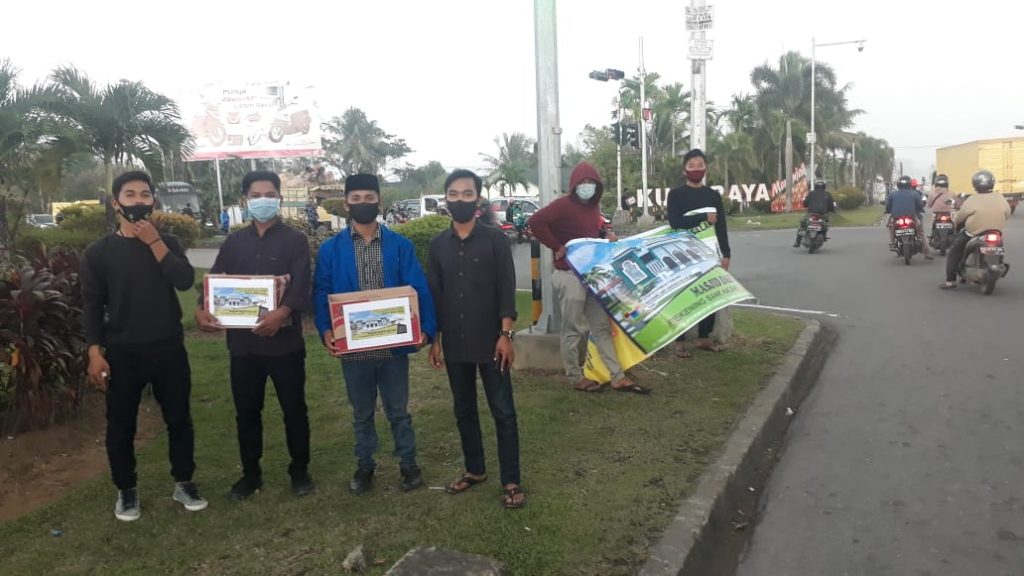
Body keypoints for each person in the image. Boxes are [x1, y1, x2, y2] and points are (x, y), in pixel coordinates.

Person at [81, 170, 207, 522]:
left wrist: (154, 242)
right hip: (123, 352)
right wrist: (94, 350)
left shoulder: (168, 242)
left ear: (154, 200)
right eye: (130, 195)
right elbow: (91, 304)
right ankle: (126, 491)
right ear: (116, 202)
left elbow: (183, 281)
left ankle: (184, 482)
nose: (138, 201)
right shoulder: (99, 252)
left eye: (144, 195)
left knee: (179, 419)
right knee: (121, 424)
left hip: (168, 347)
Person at [313, 174, 437, 494]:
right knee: (361, 414)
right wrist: (326, 328)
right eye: (356, 199)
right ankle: (365, 466)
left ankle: (408, 464)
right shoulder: (331, 250)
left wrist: (426, 329)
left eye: (369, 198)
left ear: (379, 202)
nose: (363, 204)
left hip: (392, 347)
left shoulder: (400, 246)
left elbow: (418, 289)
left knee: (399, 411)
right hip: (353, 349)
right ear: (346, 204)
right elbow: (322, 291)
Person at [195, 171, 314, 501]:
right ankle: (251, 475)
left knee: (294, 409)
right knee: (247, 412)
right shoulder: (234, 243)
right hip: (244, 347)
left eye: (270, 194)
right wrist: (201, 306)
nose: (264, 200)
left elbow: (302, 284)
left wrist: (283, 313)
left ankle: (300, 471)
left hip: (285, 345)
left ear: (279, 198)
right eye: (256, 194)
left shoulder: (294, 240)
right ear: (245, 200)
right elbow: (215, 280)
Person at [427, 169, 526, 509]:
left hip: (492, 341)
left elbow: (506, 289)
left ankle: (511, 479)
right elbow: (436, 295)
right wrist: (435, 340)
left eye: (467, 194)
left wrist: (506, 335)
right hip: (454, 342)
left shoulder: (496, 240)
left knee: (503, 411)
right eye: (453, 194)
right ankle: (475, 469)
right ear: (446, 200)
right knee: (464, 409)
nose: (459, 200)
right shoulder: (438, 245)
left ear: (479, 200)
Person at [529, 162, 648, 394]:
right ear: (574, 185)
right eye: (582, 183)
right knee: (572, 328)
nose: (586, 187)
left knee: (601, 327)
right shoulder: (562, 205)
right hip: (569, 274)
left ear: (597, 187)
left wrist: (606, 235)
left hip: (591, 276)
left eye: (591, 183)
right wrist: (556, 246)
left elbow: (592, 233)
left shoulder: (593, 208)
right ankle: (575, 376)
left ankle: (617, 376)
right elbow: (536, 222)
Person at [666, 149, 732, 354]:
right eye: (692, 165)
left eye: (700, 165)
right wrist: (703, 216)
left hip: (709, 253)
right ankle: (679, 339)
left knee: (708, 294)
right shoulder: (676, 194)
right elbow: (675, 223)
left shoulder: (712, 195)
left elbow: (721, 226)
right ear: (685, 170)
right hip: (683, 252)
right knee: (683, 295)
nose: (696, 169)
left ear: (705, 168)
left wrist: (726, 253)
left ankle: (704, 336)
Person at [940, 170, 1011, 289]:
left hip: (973, 233)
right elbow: (1007, 213)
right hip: (995, 232)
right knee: (999, 248)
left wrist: (956, 219)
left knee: (954, 252)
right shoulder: (1000, 197)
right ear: (992, 183)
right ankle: (1000, 264)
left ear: (975, 184)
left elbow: (960, 217)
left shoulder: (972, 199)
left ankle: (950, 281)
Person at [885, 175, 932, 259]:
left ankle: (892, 241)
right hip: (912, 216)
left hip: (896, 217)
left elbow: (888, 207)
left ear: (898, 184)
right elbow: (920, 205)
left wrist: (889, 211)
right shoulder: (915, 194)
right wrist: (920, 209)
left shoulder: (892, 194)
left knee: (890, 226)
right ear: (909, 184)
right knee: (920, 233)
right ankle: (927, 253)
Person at [793, 179, 836, 247]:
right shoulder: (828, 194)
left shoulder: (811, 193)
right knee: (826, 224)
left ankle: (797, 241)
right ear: (824, 186)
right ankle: (823, 236)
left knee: (802, 224)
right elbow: (831, 206)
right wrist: (833, 210)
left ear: (815, 186)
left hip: (811, 214)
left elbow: (805, 203)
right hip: (823, 215)